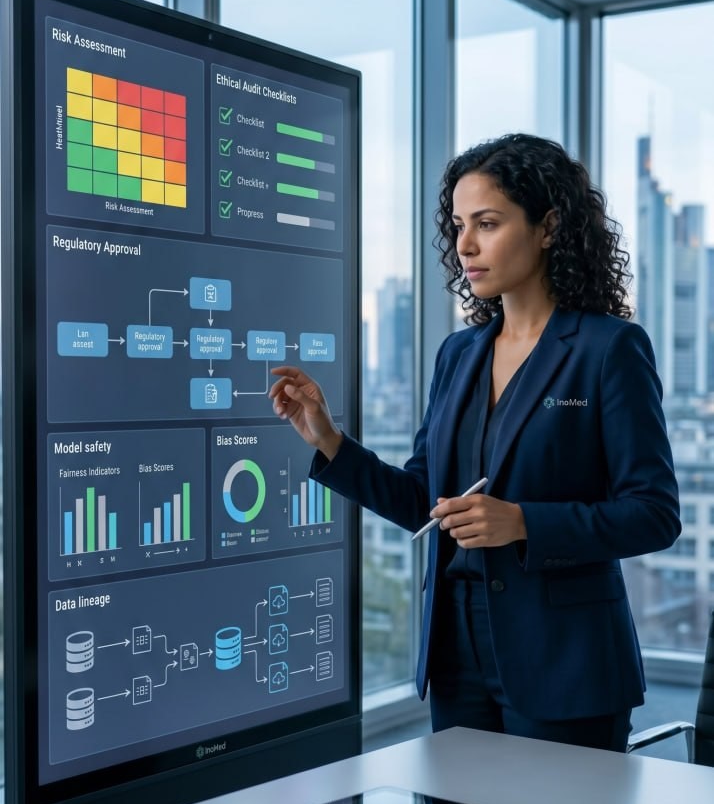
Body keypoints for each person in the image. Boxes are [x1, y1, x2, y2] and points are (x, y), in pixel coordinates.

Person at [269, 133, 681, 752]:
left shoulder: (608, 349)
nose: (464, 245)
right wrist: (330, 440)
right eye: (459, 225)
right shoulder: (458, 355)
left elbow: (654, 515)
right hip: (456, 655)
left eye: (486, 224)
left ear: (548, 227)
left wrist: (521, 523)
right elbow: (423, 503)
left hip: (565, 663)